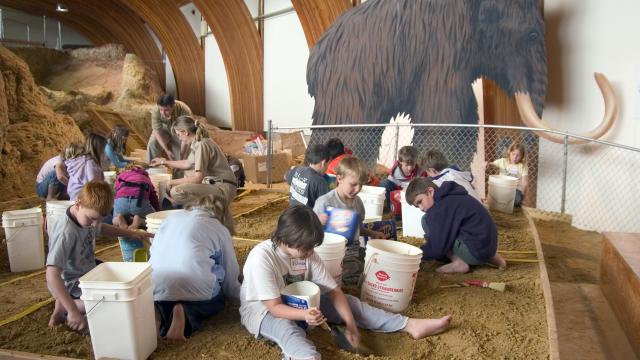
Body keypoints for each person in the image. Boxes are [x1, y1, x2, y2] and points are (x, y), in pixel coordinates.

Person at [239, 205, 452, 359]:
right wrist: (304, 315)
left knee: (349, 302)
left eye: (312, 247)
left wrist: (350, 324)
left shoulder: (306, 253)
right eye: (306, 248)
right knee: (291, 333)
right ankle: (304, 356)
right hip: (264, 311)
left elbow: (334, 291)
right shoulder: (262, 258)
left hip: (302, 303)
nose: (311, 253)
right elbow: (275, 308)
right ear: (286, 239)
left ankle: (410, 325)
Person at [46, 181, 154, 331]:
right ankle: (69, 305)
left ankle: (64, 304)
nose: (95, 224)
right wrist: (73, 311)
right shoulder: (66, 233)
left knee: (121, 286)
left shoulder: (88, 218)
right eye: (92, 219)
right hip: (71, 281)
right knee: (110, 303)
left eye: (100, 219)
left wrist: (131, 233)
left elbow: (102, 228)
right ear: (78, 204)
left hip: (88, 269)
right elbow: (52, 274)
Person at [150, 193, 240, 340]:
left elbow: (153, 252)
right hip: (196, 291)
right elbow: (230, 276)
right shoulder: (219, 229)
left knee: (165, 295)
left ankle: (159, 312)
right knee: (217, 301)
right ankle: (185, 312)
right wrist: (242, 295)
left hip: (156, 286)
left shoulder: (171, 219)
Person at [313, 156, 389, 285]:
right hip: (333, 254)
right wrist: (318, 222)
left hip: (354, 250)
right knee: (353, 270)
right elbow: (310, 233)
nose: (358, 189)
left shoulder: (358, 203)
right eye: (353, 184)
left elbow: (358, 228)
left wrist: (373, 234)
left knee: (379, 261)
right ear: (339, 179)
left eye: (361, 185)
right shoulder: (325, 202)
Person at [405, 177, 507, 273]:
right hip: (488, 248)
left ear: (430, 192)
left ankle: (459, 262)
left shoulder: (439, 209)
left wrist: (418, 255)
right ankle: (494, 258)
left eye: (420, 202)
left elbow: (438, 248)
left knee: (426, 221)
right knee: (449, 227)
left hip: (474, 253)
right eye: (417, 206)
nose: (421, 208)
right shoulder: (452, 195)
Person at [150, 116, 237, 206]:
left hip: (223, 188)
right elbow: (187, 163)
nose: (179, 138)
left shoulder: (202, 144)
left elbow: (197, 179)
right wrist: (163, 162)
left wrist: (171, 182)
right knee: (188, 173)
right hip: (216, 184)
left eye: (179, 134)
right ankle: (187, 207)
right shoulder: (198, 142)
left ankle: (190, 208)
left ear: (185, 132)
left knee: (177, 191)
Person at [113, 164, 160, 230]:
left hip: (121, 201)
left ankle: (118, 219)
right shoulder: (146, 178)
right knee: (152, 220)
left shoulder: (121, 175)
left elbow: (115, 191)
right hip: (139, 201)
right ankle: (139, 221)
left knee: (114, 218)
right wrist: (158, 212)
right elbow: (153, 197)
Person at [147, 94, 192, 163]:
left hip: (179, 129)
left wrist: (182, 156)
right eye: (161, 110)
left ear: (173, 106)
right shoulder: (156, 110)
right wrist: (166, 150)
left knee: (182, 153)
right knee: (152, 144)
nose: (163, 113)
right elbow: (157, 131)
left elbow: (186, 137)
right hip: (163, 127)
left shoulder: (184, 111)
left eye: (166, 110)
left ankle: (179, 172)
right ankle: (153, 168)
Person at [285, 144, 330, 208]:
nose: (327, 168)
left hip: (292, 214)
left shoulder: (297, 169)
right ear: (323, 162)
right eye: (328, 164)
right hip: (308, 217)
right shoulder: (320, 181)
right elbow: (327, 204)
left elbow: (285, 176)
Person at [65, 133, 107, 201]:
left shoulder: (84, 159)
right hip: (82, 197)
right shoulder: (90, 162)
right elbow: (93, 184)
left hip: (75, 194)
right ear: (97, 147)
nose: (104, 151)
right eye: (103, 148)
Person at [487, 142, 528, 207]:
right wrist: (487, 164)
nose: (515, 157)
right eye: (513, 154)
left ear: (522, 156)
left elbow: (525, 184)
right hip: (502, 187)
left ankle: (504, 201)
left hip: (515, 190)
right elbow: (492, 165)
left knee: (517, 201)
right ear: (509, 152)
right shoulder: (503, 161)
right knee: (494, 194)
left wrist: (523, 198)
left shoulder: (522, 166)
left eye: (518, 155)